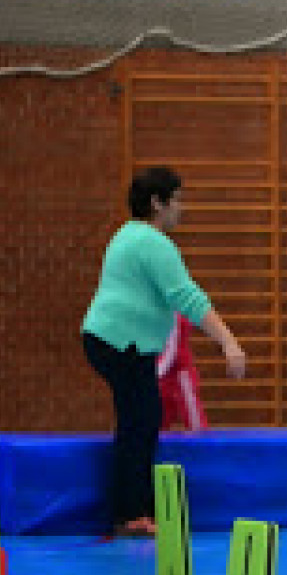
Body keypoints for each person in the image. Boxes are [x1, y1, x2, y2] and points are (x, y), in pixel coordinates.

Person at [81, 167, 246, 537]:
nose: (182, 209)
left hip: (111, 341)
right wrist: (227, 340)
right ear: (158, 203)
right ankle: (131, 513)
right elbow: (186, 297)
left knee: (138, 419)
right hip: (120, 343)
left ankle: (130, 509)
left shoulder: (127, 234)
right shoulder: (152, 242)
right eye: (178, 200)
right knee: (141, 420)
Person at [157, 313, 208, 432]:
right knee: (158, 420)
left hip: (179, 372)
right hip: (162, 373)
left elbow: (172, 348)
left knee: (195, 422)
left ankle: (200, 442)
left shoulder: (174, 312)